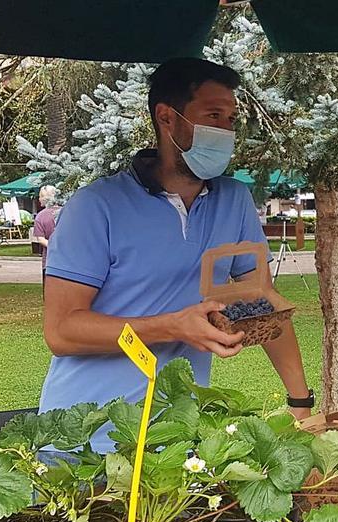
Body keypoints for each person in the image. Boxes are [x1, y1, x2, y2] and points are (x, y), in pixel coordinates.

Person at [41, 58, 313, 453]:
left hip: (179, 444)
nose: (225, 131)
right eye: (213, 115)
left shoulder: (234, 201)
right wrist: (173, 326)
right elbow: (62, 331)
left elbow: (262, 304)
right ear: (167, 118)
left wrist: (300, 402)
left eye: (232, 119)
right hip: (84, 441)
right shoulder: (96, 206)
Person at [32, 184, 62, 277]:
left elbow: (40, 239)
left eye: (40, 196)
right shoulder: (66, 211)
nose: (39, 199)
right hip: (68, 262)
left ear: (45, 198)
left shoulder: (40, 216)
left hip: (49, 262)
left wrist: (54, 247)